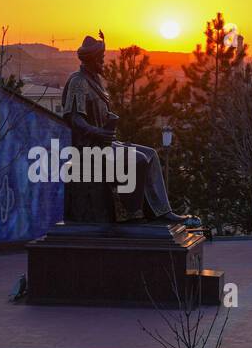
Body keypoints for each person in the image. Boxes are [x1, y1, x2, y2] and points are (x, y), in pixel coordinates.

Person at [61, 32, 192, 225]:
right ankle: (133, 214)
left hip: (106, 144)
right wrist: (98, 132)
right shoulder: (78, 82)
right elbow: (74, 119)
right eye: (101, 59)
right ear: (93, 59)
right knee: (137, 160)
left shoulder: (94, 81)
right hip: (89, 151)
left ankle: (161, 212)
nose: (104, 62)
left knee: (151, 154)